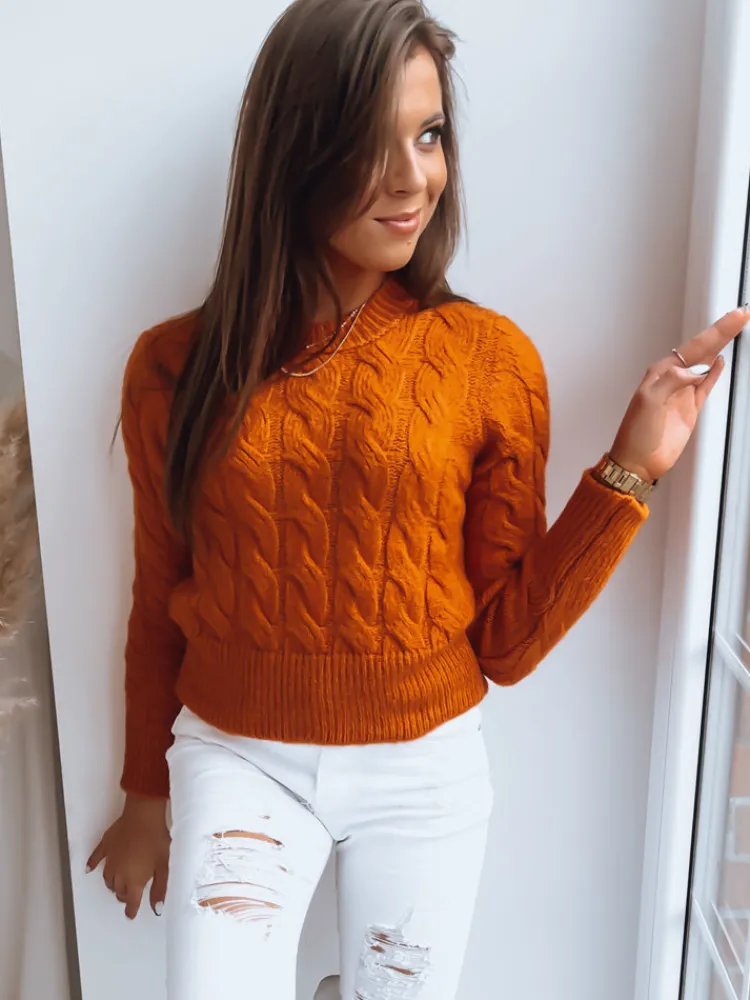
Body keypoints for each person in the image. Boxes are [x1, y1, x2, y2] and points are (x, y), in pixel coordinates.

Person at [87, 1, 748, 997]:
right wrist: (145, 790)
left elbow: (507, 644)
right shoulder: (175, 366)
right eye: (372, 142)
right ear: (295, 152)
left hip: (422, 775)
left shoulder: (488, 361)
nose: (413, 179)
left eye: (430, 134)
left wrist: (632, 465)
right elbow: (157, 598)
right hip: (236, 759)